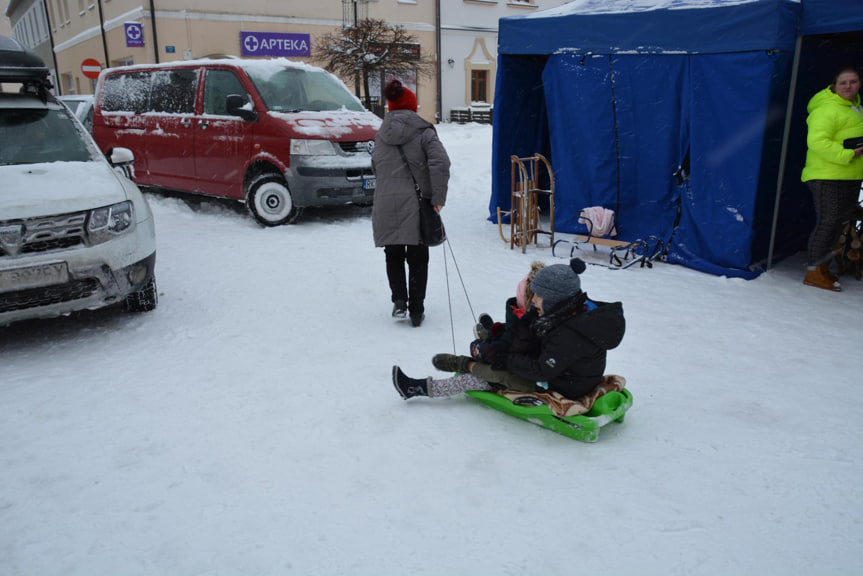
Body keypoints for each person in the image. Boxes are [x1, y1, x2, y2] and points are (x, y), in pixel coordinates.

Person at [392, 258, 625, 401]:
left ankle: (420, 387)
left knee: (484, 378)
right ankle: (478, 352)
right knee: (501, 356)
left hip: (562, 386)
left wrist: (505, 360)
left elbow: (542, 371)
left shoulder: (569, 333)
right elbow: (532, 336)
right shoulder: (564, 312)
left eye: (538, 298)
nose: (533, 302)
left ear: (554, 300)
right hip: (559, 372)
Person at [372, 79, 451, 327]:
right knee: (418, 257)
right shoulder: (424, 132)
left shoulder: (381, 134)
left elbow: (376, 166)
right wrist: (437, 198)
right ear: (413, 106)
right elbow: (441, 163)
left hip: (386, 202)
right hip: (416, 204)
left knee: (393, 253)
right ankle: (416, 310)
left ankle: (399, 302)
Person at [801, 66, 863, 291]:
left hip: (847, 175)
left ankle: (822, 267)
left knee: (838, 223)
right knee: (829, 222)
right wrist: (848, 154)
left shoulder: (855, 108)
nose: (848, 87)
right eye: (843, 82)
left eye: (853, 82)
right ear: (834, 86)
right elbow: (817, 142)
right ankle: (813, 272)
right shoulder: (827, 109)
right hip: (827, 175)